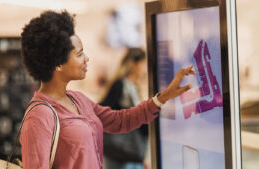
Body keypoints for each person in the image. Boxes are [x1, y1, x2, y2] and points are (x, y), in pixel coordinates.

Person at [20, 10, 195, 169]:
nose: (86, 59)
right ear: (57, 63)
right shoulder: (39, 117)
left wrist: (163, 97)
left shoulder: (78, 99)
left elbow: (120, 120)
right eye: (79, 54)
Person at [100, 48, 150, 169]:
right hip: (121, 151)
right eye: (143, 65)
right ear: (133, 64)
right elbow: (104, 109)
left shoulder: (132, 86)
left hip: (131, 151)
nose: (145, 70)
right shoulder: (120, 85)